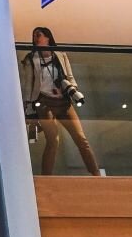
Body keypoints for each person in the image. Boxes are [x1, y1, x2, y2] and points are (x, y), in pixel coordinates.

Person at [19, 26, 100, 176]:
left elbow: (70, 77)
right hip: (43, 102)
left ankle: (96, 173)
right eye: (35, 35)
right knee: (53, 139)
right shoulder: (31, 59)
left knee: (81, 138)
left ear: (48, 37)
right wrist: (27, 106)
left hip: (63, 102)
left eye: (39, 35)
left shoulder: (60, 55)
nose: (36, 38)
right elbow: (27, 84)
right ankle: (47, 177)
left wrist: (69, 89)